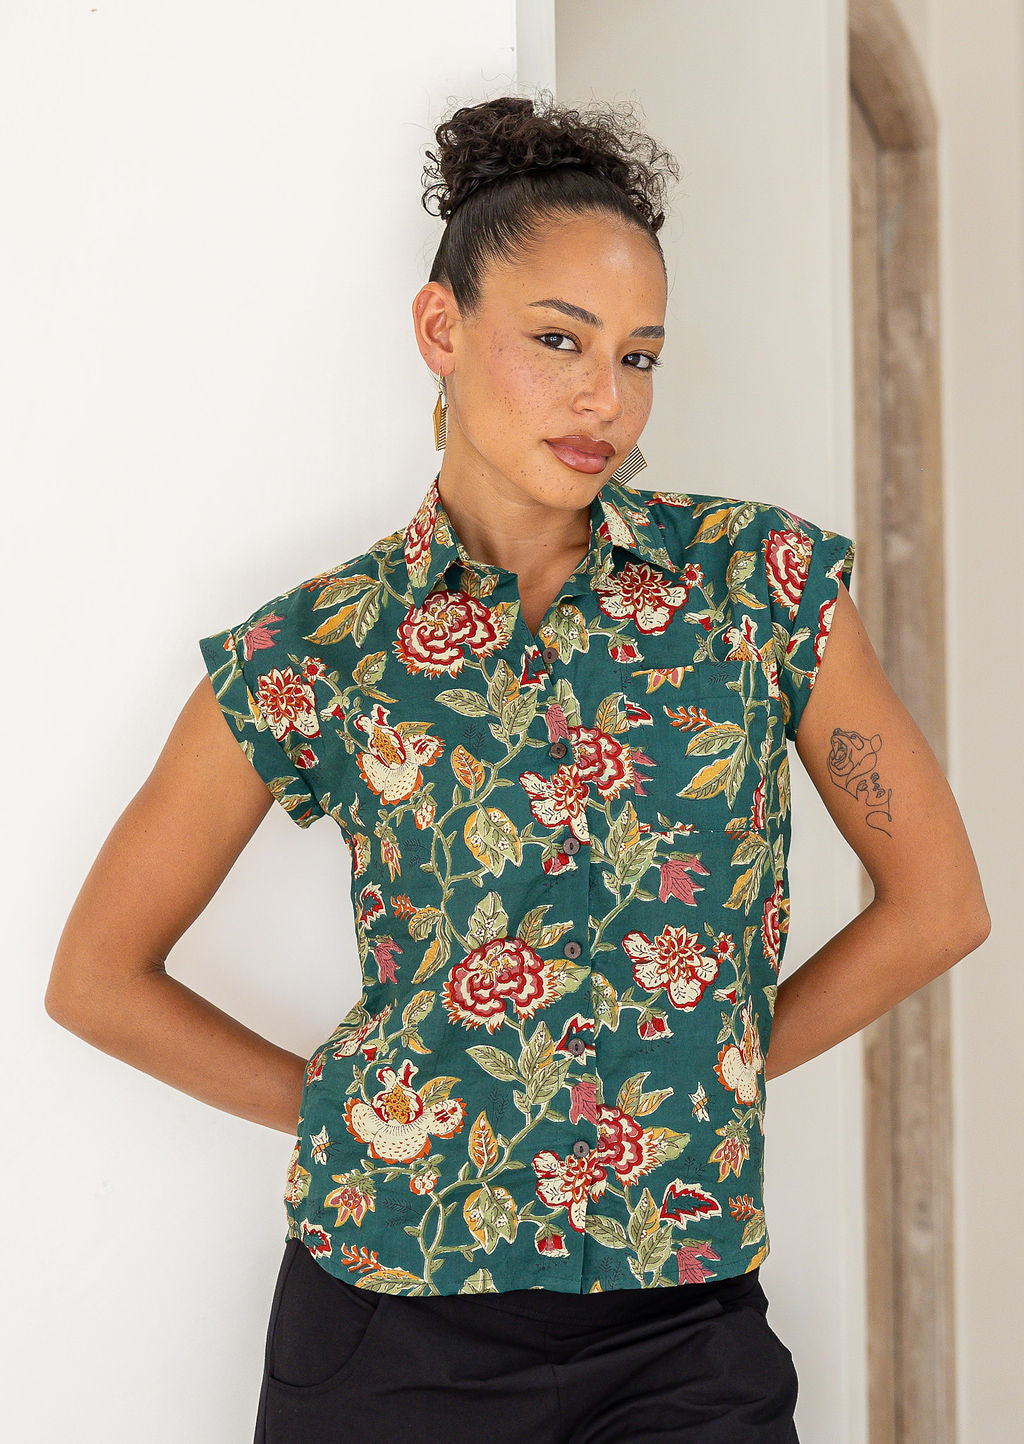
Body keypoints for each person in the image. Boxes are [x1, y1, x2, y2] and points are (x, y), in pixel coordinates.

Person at [45, 91, 990, 1444]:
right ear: (442, 329)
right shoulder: (321, 648)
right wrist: (342, 1112)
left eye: (638, 354)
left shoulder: (759, 587)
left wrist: (711, 1060)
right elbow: (97, 978)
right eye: (559, 339)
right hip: (390, 1324)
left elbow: (940, 904)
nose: (606, 397)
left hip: (684, 1332)